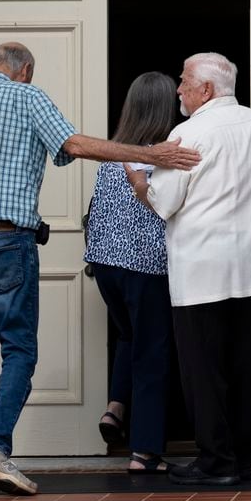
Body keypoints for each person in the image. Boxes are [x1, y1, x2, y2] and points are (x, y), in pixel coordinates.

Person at [0, 42, 199, 496]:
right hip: (6, 241)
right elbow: (75, 145)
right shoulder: (28, 97)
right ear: (24, 71)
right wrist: (153, 155)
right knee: (19, 349)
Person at [126, 52, 251, 486]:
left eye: (184, 80)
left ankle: (215, 462)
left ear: (205, 90)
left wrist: (138, 180)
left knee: (204, 371)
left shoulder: (189, 133)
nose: (179, 89)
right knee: (247, 368)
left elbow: (164, 201)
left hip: (202, 273)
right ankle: (242, 459)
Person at [84, 72, 177, 474]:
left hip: (106, 266)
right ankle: (145, 450)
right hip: (147, 265)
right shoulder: (164, 156)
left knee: (128, 336)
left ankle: (114, 406)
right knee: (152, 352)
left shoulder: (111, 155)